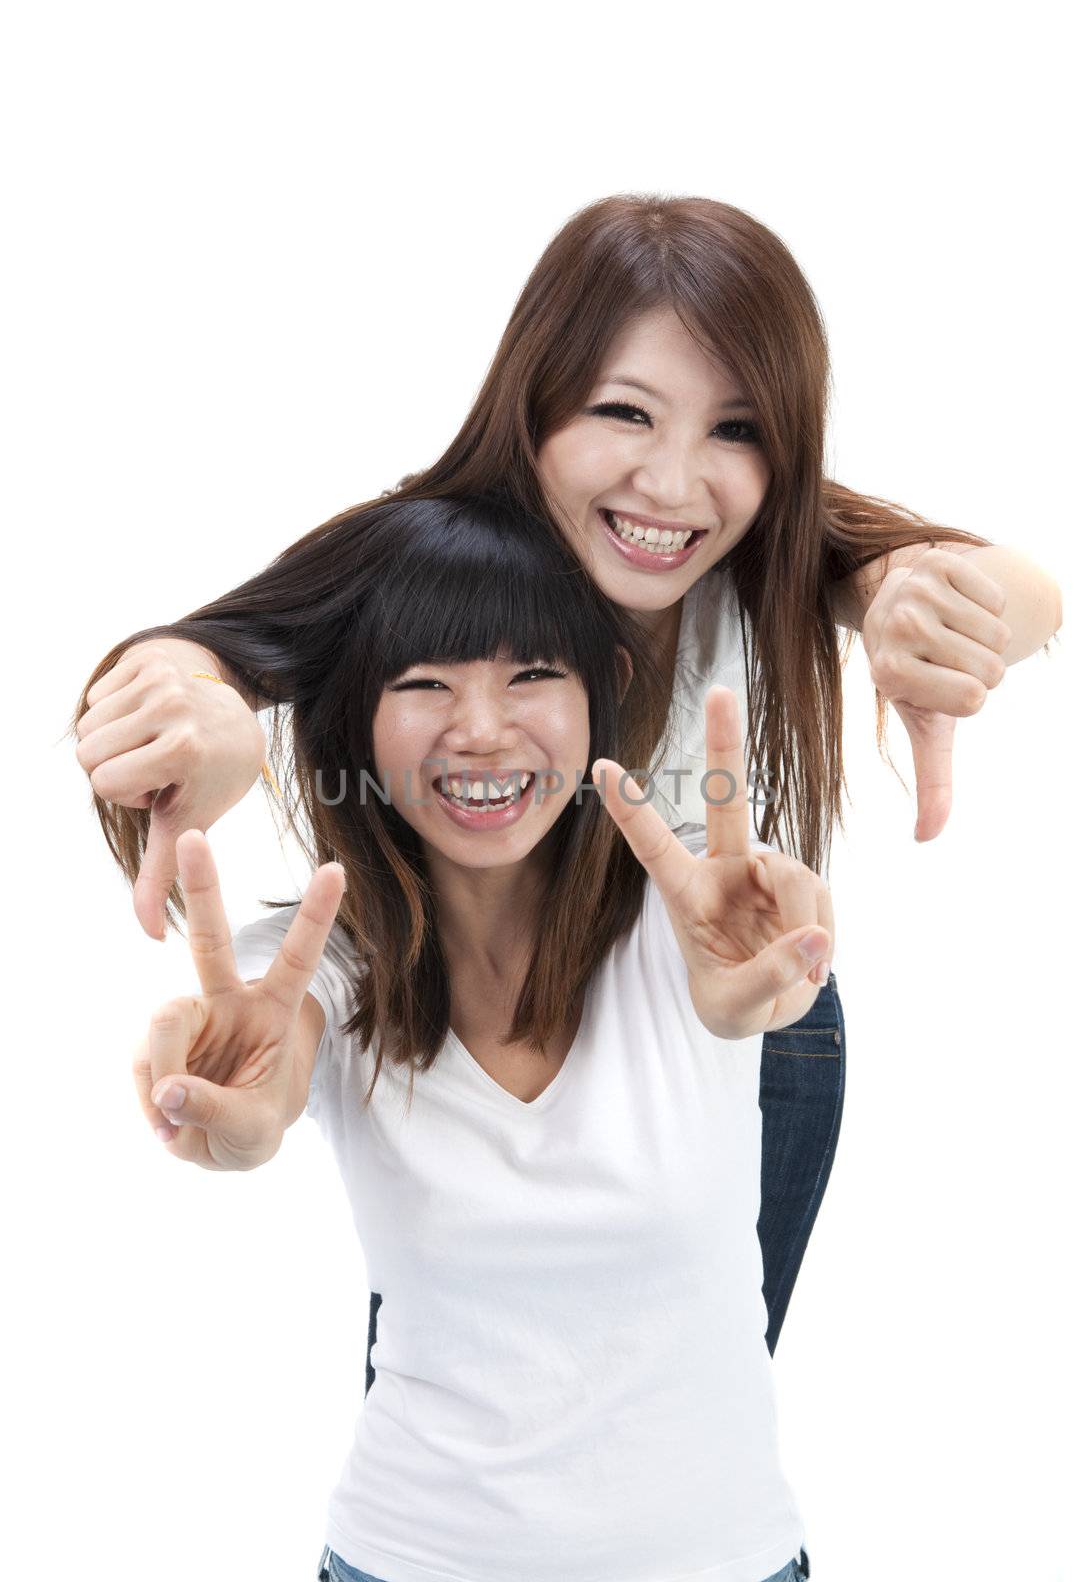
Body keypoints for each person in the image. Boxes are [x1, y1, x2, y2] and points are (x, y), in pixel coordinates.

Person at [72, 194, 1062, 1358]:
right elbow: (199, 653)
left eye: (737, 430)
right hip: (488, 1019)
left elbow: (1014, 581)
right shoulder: (427, 551)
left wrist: (936, 607)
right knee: (470, 1407)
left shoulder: (760, 552)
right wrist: (200, 702)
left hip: (750, 1028)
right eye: (624, 412)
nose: (674, 484)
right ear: (535, 408)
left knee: (694, 1403)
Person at [133, 493, 833, 1582]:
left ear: (600, 697)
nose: (482, 728)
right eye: (423, 684)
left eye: (532, 676)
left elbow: (748, 993)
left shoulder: (690, 923)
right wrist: (238, 1114)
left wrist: (777, 987)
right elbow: (274, 1072)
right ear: (354, 722)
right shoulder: (324, 958)